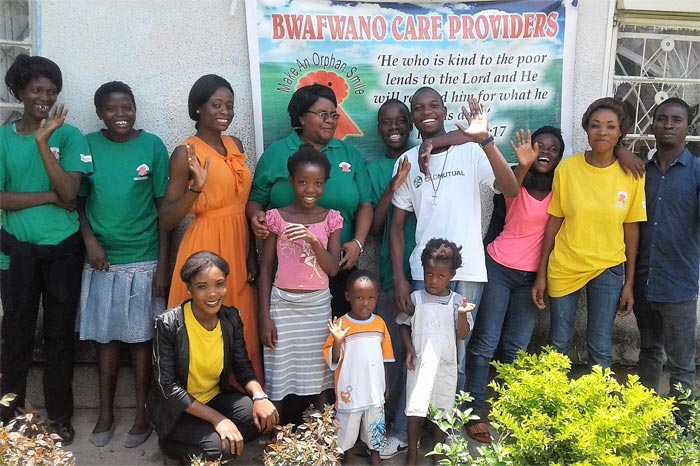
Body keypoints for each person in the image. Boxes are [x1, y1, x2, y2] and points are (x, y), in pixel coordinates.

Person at [390, 89, 519, 395]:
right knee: (423, 353)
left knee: (457, 355)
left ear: (445, 111)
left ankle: (450, 419)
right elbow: (396, 227)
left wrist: (486, 140)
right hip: (425, 274)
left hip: (469, 270)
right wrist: (399, 280)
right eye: (419, 108)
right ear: (413, 118)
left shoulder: (472, 151)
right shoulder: (406, 162)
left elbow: (510, 189)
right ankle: (421, 417)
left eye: (433, 105)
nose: (427, 112)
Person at [0, 54, 92, 444]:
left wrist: (42, 141)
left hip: (63, 251)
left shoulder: (69, 137)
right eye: (36, 90)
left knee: (59, 336)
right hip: (15, 252)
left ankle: (59, 417)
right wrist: (49, 197)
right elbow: (1, 198)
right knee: (15, 335)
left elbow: (70, 192)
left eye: (51, 91)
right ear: (19, 91)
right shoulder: (3, 139)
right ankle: (9, 417)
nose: (44, 97)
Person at [77, 81, 169, 448]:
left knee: (141, 341)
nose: (121, 114)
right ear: (99, 113)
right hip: (101, 261)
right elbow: (77, 202)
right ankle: (105, 413)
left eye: (127, 107)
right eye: (112, 109)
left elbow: (165, 213)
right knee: (105, 340)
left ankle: (143, 414)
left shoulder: (153, 146)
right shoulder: (87, 145)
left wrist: (164, 267)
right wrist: (89, 241)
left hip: (144, 259)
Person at [159, 74, 262, 383]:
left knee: (241, 321)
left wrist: (251, 253)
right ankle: (203, 400)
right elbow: (166, 218)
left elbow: (241, 204)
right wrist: (196, 190)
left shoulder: (234, 144)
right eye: (216, 105)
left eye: (229, 105)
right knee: (207, 322)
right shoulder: (185, 153)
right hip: (207, 245)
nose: (225, 112)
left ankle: (243, 398)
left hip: (238, 243)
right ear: (198, 108)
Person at [465, 127, 564, 444]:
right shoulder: (515, 177)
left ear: (560, 156)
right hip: (499, 267)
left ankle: (509, 410)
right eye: (540, 146)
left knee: (516, 347)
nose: (546, 151)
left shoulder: (561, 187)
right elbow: (508, 190)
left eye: (553, 148)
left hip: (532, 277)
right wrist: (522, 165)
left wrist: (542, 277)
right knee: (485, 343)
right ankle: (476, 410)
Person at [532, 97, 647, 369]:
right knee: (558, 343)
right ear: (586, 129)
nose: (602, 132)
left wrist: (629, 282)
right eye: (595, 125)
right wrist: (541, 273)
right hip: (566, 264)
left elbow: (631, 229)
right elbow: (554, 221)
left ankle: (598, 397)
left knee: (600, 345)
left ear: (621, 132)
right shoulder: (567, 168)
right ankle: (551, 396)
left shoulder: (632, 174)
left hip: (609, 267)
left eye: (610, 126)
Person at [246, 83, 373, 318]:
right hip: (290, 277)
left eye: (333, 115)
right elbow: (255, 201)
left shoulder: (349, 154)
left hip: (339, 266)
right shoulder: (275, 155)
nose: (330, 121)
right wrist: (256, 217)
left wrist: (358, 243)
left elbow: (366, 203)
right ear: (302, 117)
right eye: (322, 114)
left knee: (339, 336)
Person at [148, 251, 278, 463]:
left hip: (213, 398)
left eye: (219, 284)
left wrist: (259, 396)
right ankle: (172, 447)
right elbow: (168, 388)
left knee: (262, 418)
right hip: (177, 411)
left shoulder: (230, 318)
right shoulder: (168, 324)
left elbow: (242, 366)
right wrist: (218, 420)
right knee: (223, 449)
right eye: (202, 287)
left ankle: (207, 435)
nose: (212, 293)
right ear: (189, 288)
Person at [258, 144, 342, 420]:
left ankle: (323, 434)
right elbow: (266, 267)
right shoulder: (276, 218)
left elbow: (333, 269)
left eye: (318, 183)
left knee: (320, 373)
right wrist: (264, 317)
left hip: (317, 307)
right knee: (278, 374)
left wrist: (314, 241)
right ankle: (275, 434)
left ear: (326, 183)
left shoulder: (331, 218)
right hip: (282, 306)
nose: (310, 189)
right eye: (303, 182)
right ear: (291, 181)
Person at [633, 97, 699, 408]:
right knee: (648, 352)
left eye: (676, 120)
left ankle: (680, 426)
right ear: (653, 124)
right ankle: (644, 418)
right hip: (643, 281)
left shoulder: (696, 171)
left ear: (688, 127)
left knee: (681, 364)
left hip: (679, 284)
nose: (668, 125)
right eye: (662, 118)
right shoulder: (639, 172)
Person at [366, 99, 417, 459]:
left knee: (422, 356)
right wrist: (393, 187)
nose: (394, 127)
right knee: (392, 357)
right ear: (379, 128)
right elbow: (376, 227)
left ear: (411, 125)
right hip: (392, 272)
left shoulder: (425, 158)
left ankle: (410, 426)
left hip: (430, 274)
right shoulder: (373, 168)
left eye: (401, 120)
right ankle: (383, 428)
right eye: (387, 121)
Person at [396, 238, 474, 466]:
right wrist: (409, 349)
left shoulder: (457, 302)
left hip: (445, 365)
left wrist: (462, 315)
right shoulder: (416, 298)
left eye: (441, 276)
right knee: (415, 407)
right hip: (419, 363)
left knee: (443, 407)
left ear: (451, 276)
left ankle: (438, 450)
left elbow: (462, 335)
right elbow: (403, 324)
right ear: (423, 270)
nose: (433, 280)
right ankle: (412, 452)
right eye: (429, 274)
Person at [323, 270, 394, 466]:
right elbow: (333, 360)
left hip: (374, 389)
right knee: (346, 427)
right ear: (348, 297)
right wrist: (338, 340)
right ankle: (348, 455)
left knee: (375, 425)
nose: (365, 303)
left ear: (377, 297)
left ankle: (375, 455)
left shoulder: (379, 324)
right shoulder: (341, 324)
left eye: (371, 298)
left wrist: (386, 385)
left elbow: (385, 359)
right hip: (350, 390)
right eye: (359, 298)